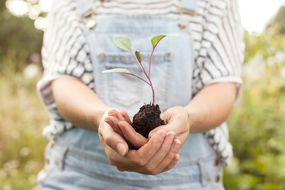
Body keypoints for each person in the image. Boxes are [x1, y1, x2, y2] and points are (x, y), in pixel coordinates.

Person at [37, 0, 243, 189]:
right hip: (77, 179)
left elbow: (222, 87)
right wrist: (103, 118)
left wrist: (187, 117)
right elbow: (65, 83)